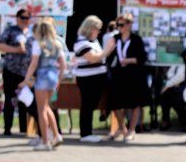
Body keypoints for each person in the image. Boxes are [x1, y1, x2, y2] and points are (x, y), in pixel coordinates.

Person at [19, 17, 67, 152]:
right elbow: (63, 65)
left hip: (43, 76)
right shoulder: (58, 43)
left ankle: (45, 141)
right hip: (53, 76)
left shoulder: (38, 43)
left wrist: (26, 79)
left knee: (41, 111)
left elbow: (34, 63)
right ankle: (57, 135)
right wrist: (59, 80)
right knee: (47, 107)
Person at [103, 13, 149, 142]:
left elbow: (142, 58)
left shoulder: (136, 39)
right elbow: (108, 54)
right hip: (118, 74)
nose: (119, 27)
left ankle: (131, 129)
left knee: (134, 104)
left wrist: (129, 60)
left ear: (129, 25)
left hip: (133, 75)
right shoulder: (115, 38)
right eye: (117, 25)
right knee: (115, 103)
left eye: (122, 25)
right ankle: (121, 128)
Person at [0, 8, 36, 137]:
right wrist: (16, 49)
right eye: (23, 18)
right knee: (10, 99)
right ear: (17, 18)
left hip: (27, 72)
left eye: (27, 18)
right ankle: (7, 128)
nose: (25, 21)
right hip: (11, 70)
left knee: (26, 100)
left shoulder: (31, 33)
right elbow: (0, 46)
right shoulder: (10, 30)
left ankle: (24, 128)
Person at [72, 15, 108, 143]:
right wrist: (107, 51)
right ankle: (85, 133)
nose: (99, 32)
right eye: (98, 29)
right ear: (90, 28)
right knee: (87, 105)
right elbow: (92, 58)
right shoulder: (81, 42)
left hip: (97, 77)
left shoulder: (93, 41)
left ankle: (88, 132)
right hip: (88, 79)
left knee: (92, 104)